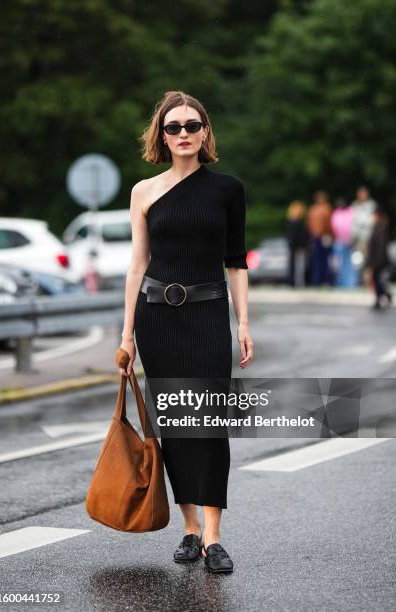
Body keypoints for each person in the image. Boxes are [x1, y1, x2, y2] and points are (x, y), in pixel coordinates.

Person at [118, 90, 253, 573]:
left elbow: (235, 262)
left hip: (209, 314)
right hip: (158, 319)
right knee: (174, 424)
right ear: (161, 135)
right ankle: (190, 530)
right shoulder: (143, 192)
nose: (182, 134)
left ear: (205, 132)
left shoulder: (227, 189)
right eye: (172, 127)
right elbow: (137, 266)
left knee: (210, 423)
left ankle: (215, 536)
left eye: (191, 125)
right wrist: (127, 334)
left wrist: (243, 322)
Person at [364, 206, 392, 310]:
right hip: (376, 260)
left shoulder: (381, 228)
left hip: (378, 261)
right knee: (377, 281)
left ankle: (380, 299)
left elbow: (380, 247)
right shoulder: (377, 227)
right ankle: (384, 296)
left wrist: (377, 262)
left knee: (377, 281)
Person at [306, 191, 333, 286]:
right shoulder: (325, 209)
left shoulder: (313, 209)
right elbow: (328, 224)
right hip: (320, 236)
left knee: (322, 259)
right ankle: (320, 279)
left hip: (320, 236)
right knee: (320, 259)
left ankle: (319, 279)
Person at [331, 197, 358, 287]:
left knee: (349, 263)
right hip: (339, 241)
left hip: (350, 241)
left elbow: (354, 225)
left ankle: (350, 282)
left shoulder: (351, 211)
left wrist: (352, 238)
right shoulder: (336, 213)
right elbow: (334, 228)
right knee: (338, 264)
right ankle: (339, 282)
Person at [350, 186, 377, 275]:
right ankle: (358, 278)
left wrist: (363, 221)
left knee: (368, 258)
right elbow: (353, 220)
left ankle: (367, 278)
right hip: (358, 237)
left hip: (368, 236)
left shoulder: (371, 205)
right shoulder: (355, 205)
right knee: (358, 258)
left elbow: (373, 220)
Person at [285, 200, 310, 287]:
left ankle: (292, 282)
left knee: (294, 265)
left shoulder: (290, 222)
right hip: (298, 247)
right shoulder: (298, 223)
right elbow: (301, 236)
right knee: (299, 266)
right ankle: (298, 282)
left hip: (293, 246)